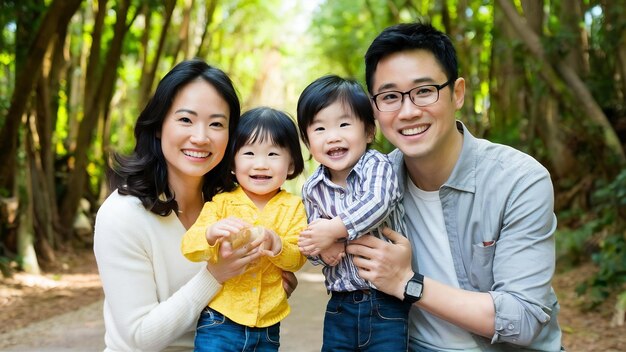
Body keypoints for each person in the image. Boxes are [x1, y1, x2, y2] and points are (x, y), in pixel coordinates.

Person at [345, 22, 563, 351]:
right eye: (390, 97)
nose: (408, 111)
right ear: (374, 109)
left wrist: (407, 283)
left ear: (457, 93)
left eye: (423, 91)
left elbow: (523, 318)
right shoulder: (369, 184)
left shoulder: (518, 179)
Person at [93, 59, 297, 352]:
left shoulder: (231, 203)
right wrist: (214, 275)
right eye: (186, 120)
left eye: (216, 124)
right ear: (160, 126)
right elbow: (138, 337)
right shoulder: (122, 215)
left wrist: (264, 292)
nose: (200, 137)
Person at [296, 74, 410, 351]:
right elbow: (311, 238)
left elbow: (377, 203)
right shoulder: (312, 188)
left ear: (369, 132)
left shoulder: (377, 166)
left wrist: (335, 231)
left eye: (344, 124)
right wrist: (321, 251)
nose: (333, 136)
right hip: (339, 304)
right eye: (319, 129)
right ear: (307, 142)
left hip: (385, 301)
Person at [181, 107, 307, 351]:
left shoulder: (294, 207)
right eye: (249, 153)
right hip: (219, 321)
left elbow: (298, 259)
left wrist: (278, 245)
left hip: (268, 326)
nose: (261, 164)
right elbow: (189, 246)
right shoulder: (221, 203)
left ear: (290, 165)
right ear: (232, 164)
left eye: (272, 154)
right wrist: (210, 233)